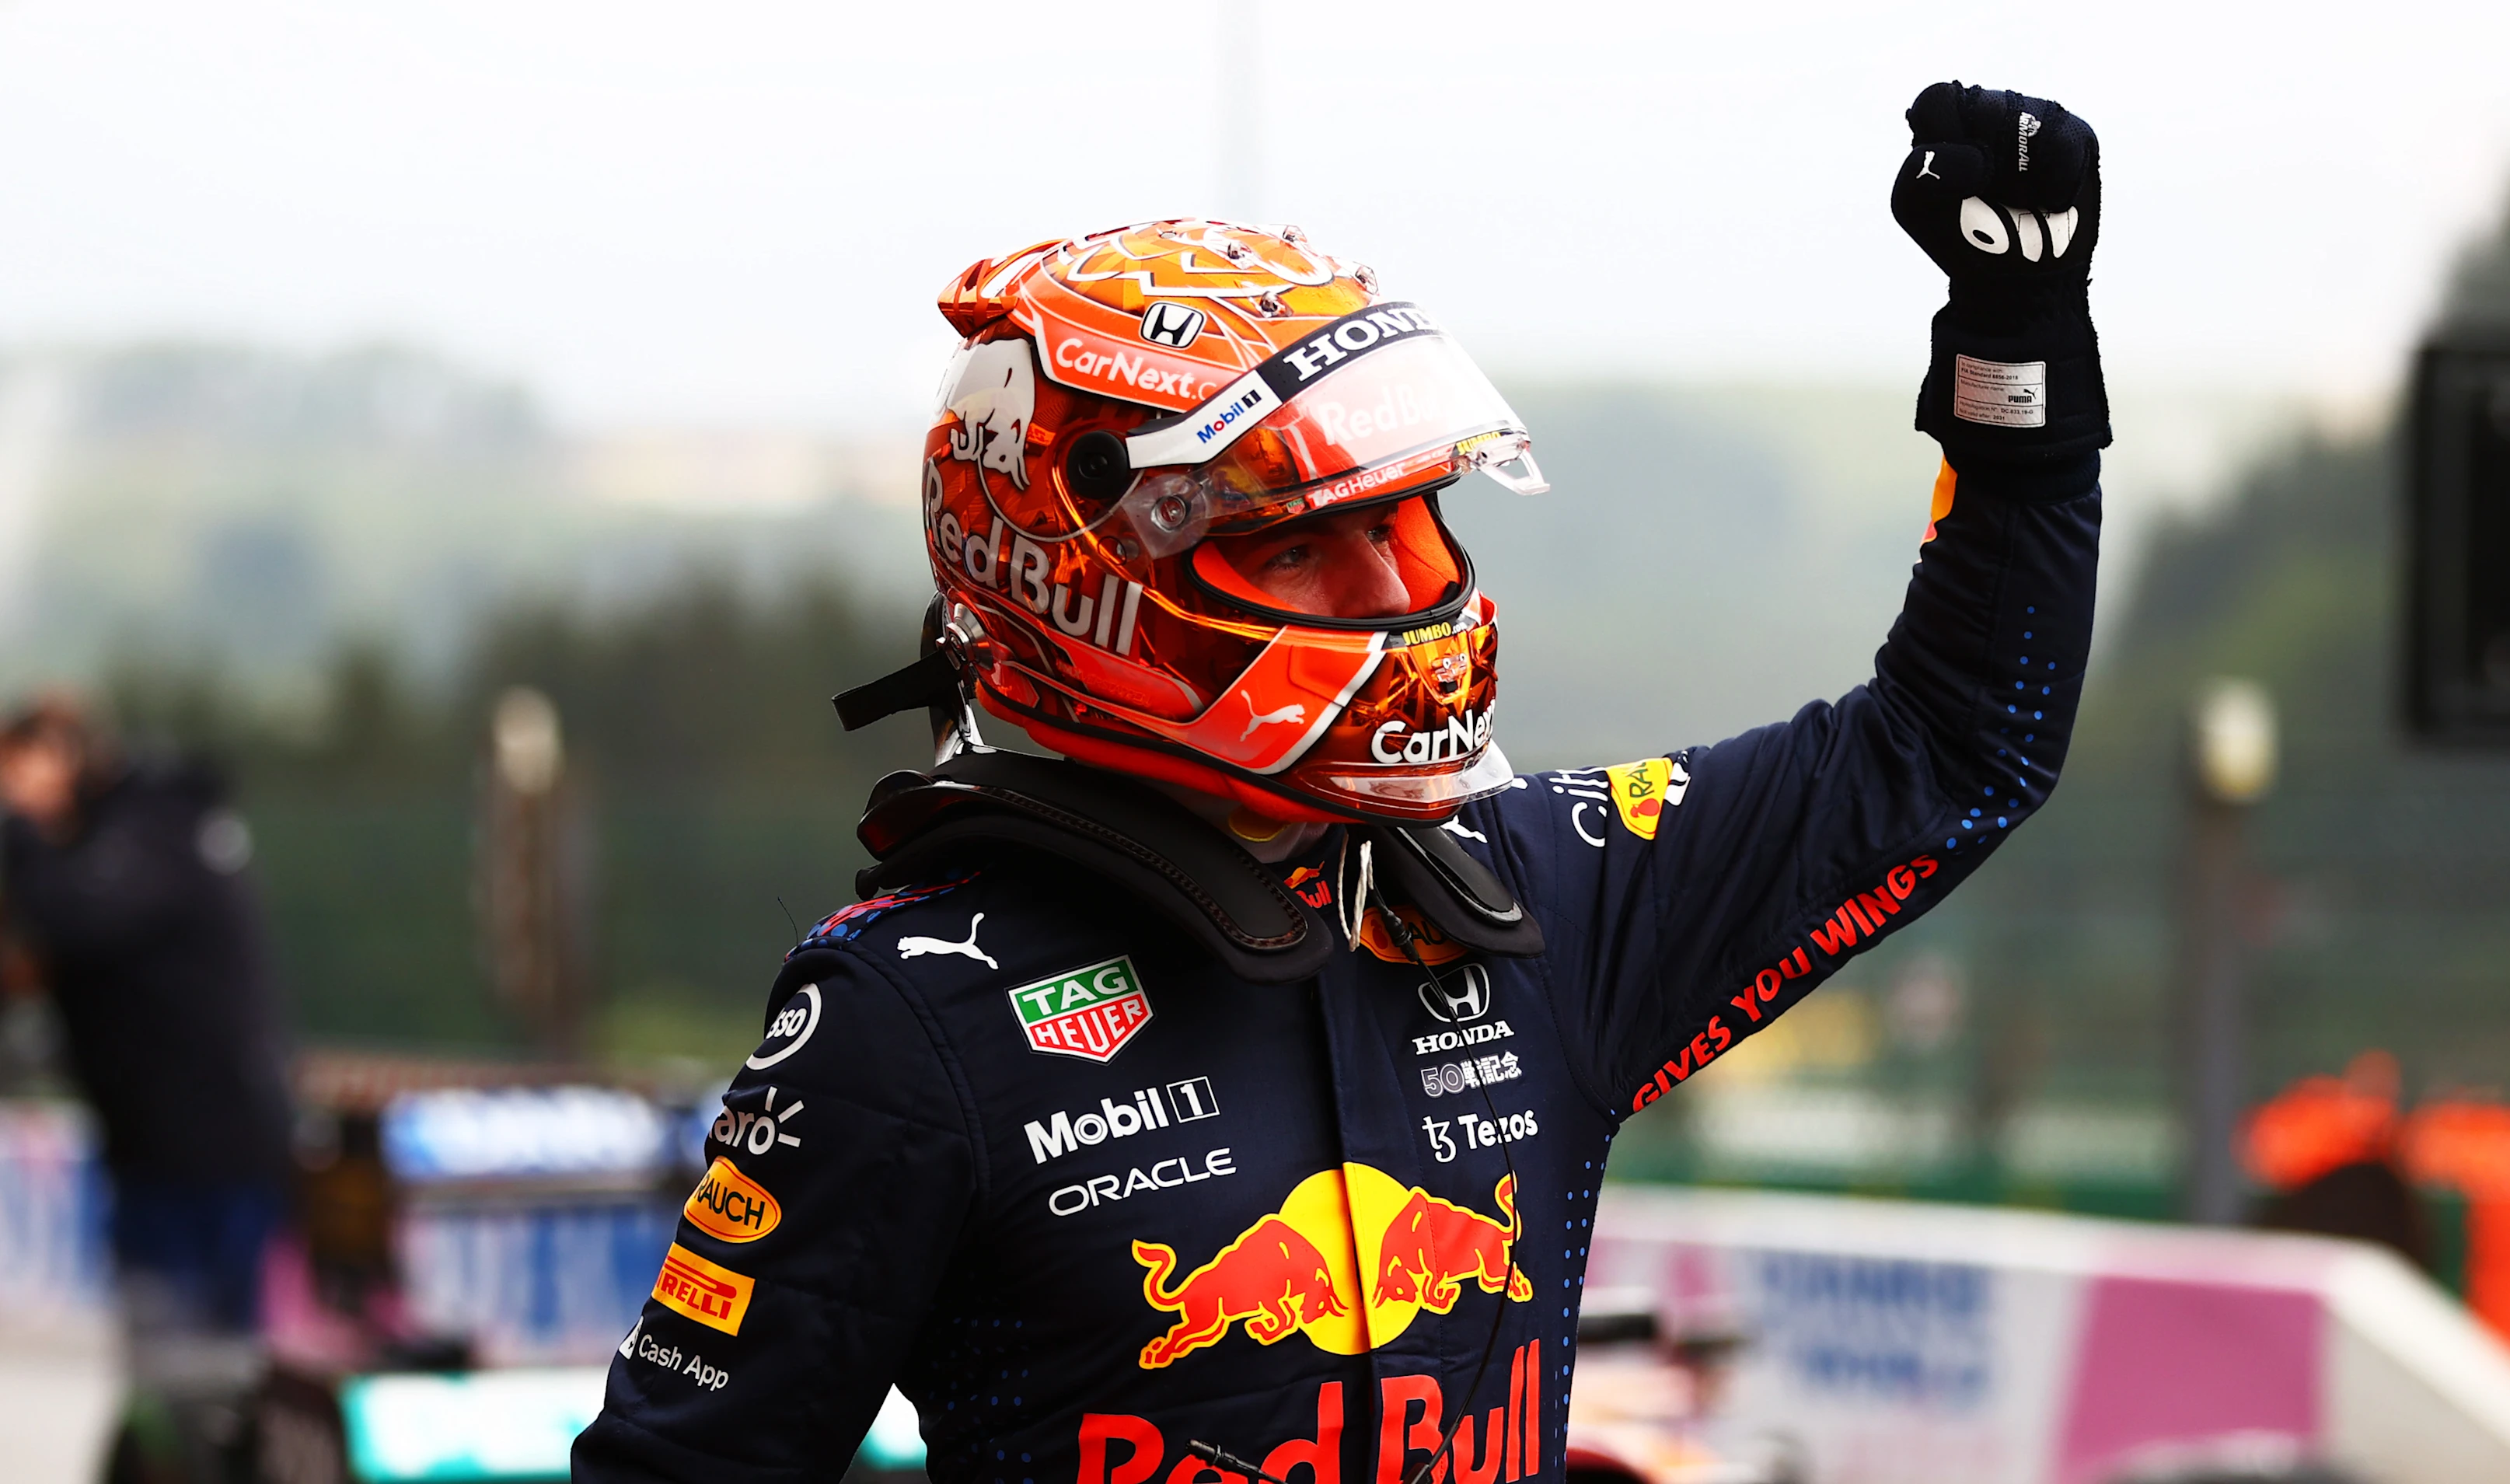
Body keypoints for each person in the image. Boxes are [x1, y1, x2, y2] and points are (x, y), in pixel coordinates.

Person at [576, 81, 2106, 1484]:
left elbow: (1956, 750)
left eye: (1405, 516)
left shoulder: (1534, 893)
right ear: (1088, 579)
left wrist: (2016, 338)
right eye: (1300, 537)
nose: (1393, 586)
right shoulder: (904, 1017)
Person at [0, 695, 295, 1483]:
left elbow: (74, 917)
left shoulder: (152, 826)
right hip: (156, 1153)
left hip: (209, 1154)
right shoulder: (125, 840)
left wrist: (21, 825)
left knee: (205, 1386)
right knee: (171, 1386)